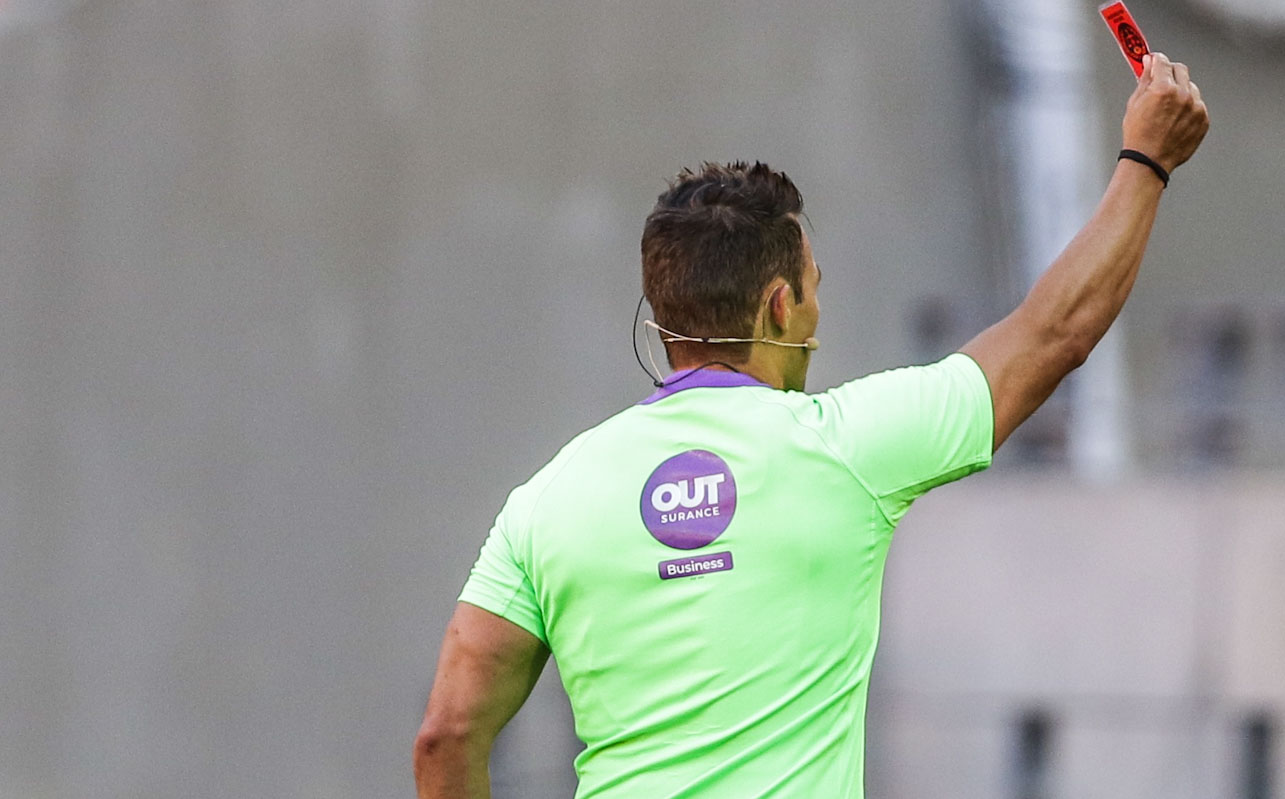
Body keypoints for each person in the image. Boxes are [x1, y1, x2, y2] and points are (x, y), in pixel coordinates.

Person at [414, 52, 1208, 799]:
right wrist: (1146, 161)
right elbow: (1054, 333)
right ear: (779, 306)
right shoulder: (845, 446)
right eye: (813, 286)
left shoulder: (547, 499)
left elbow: (447, 735)